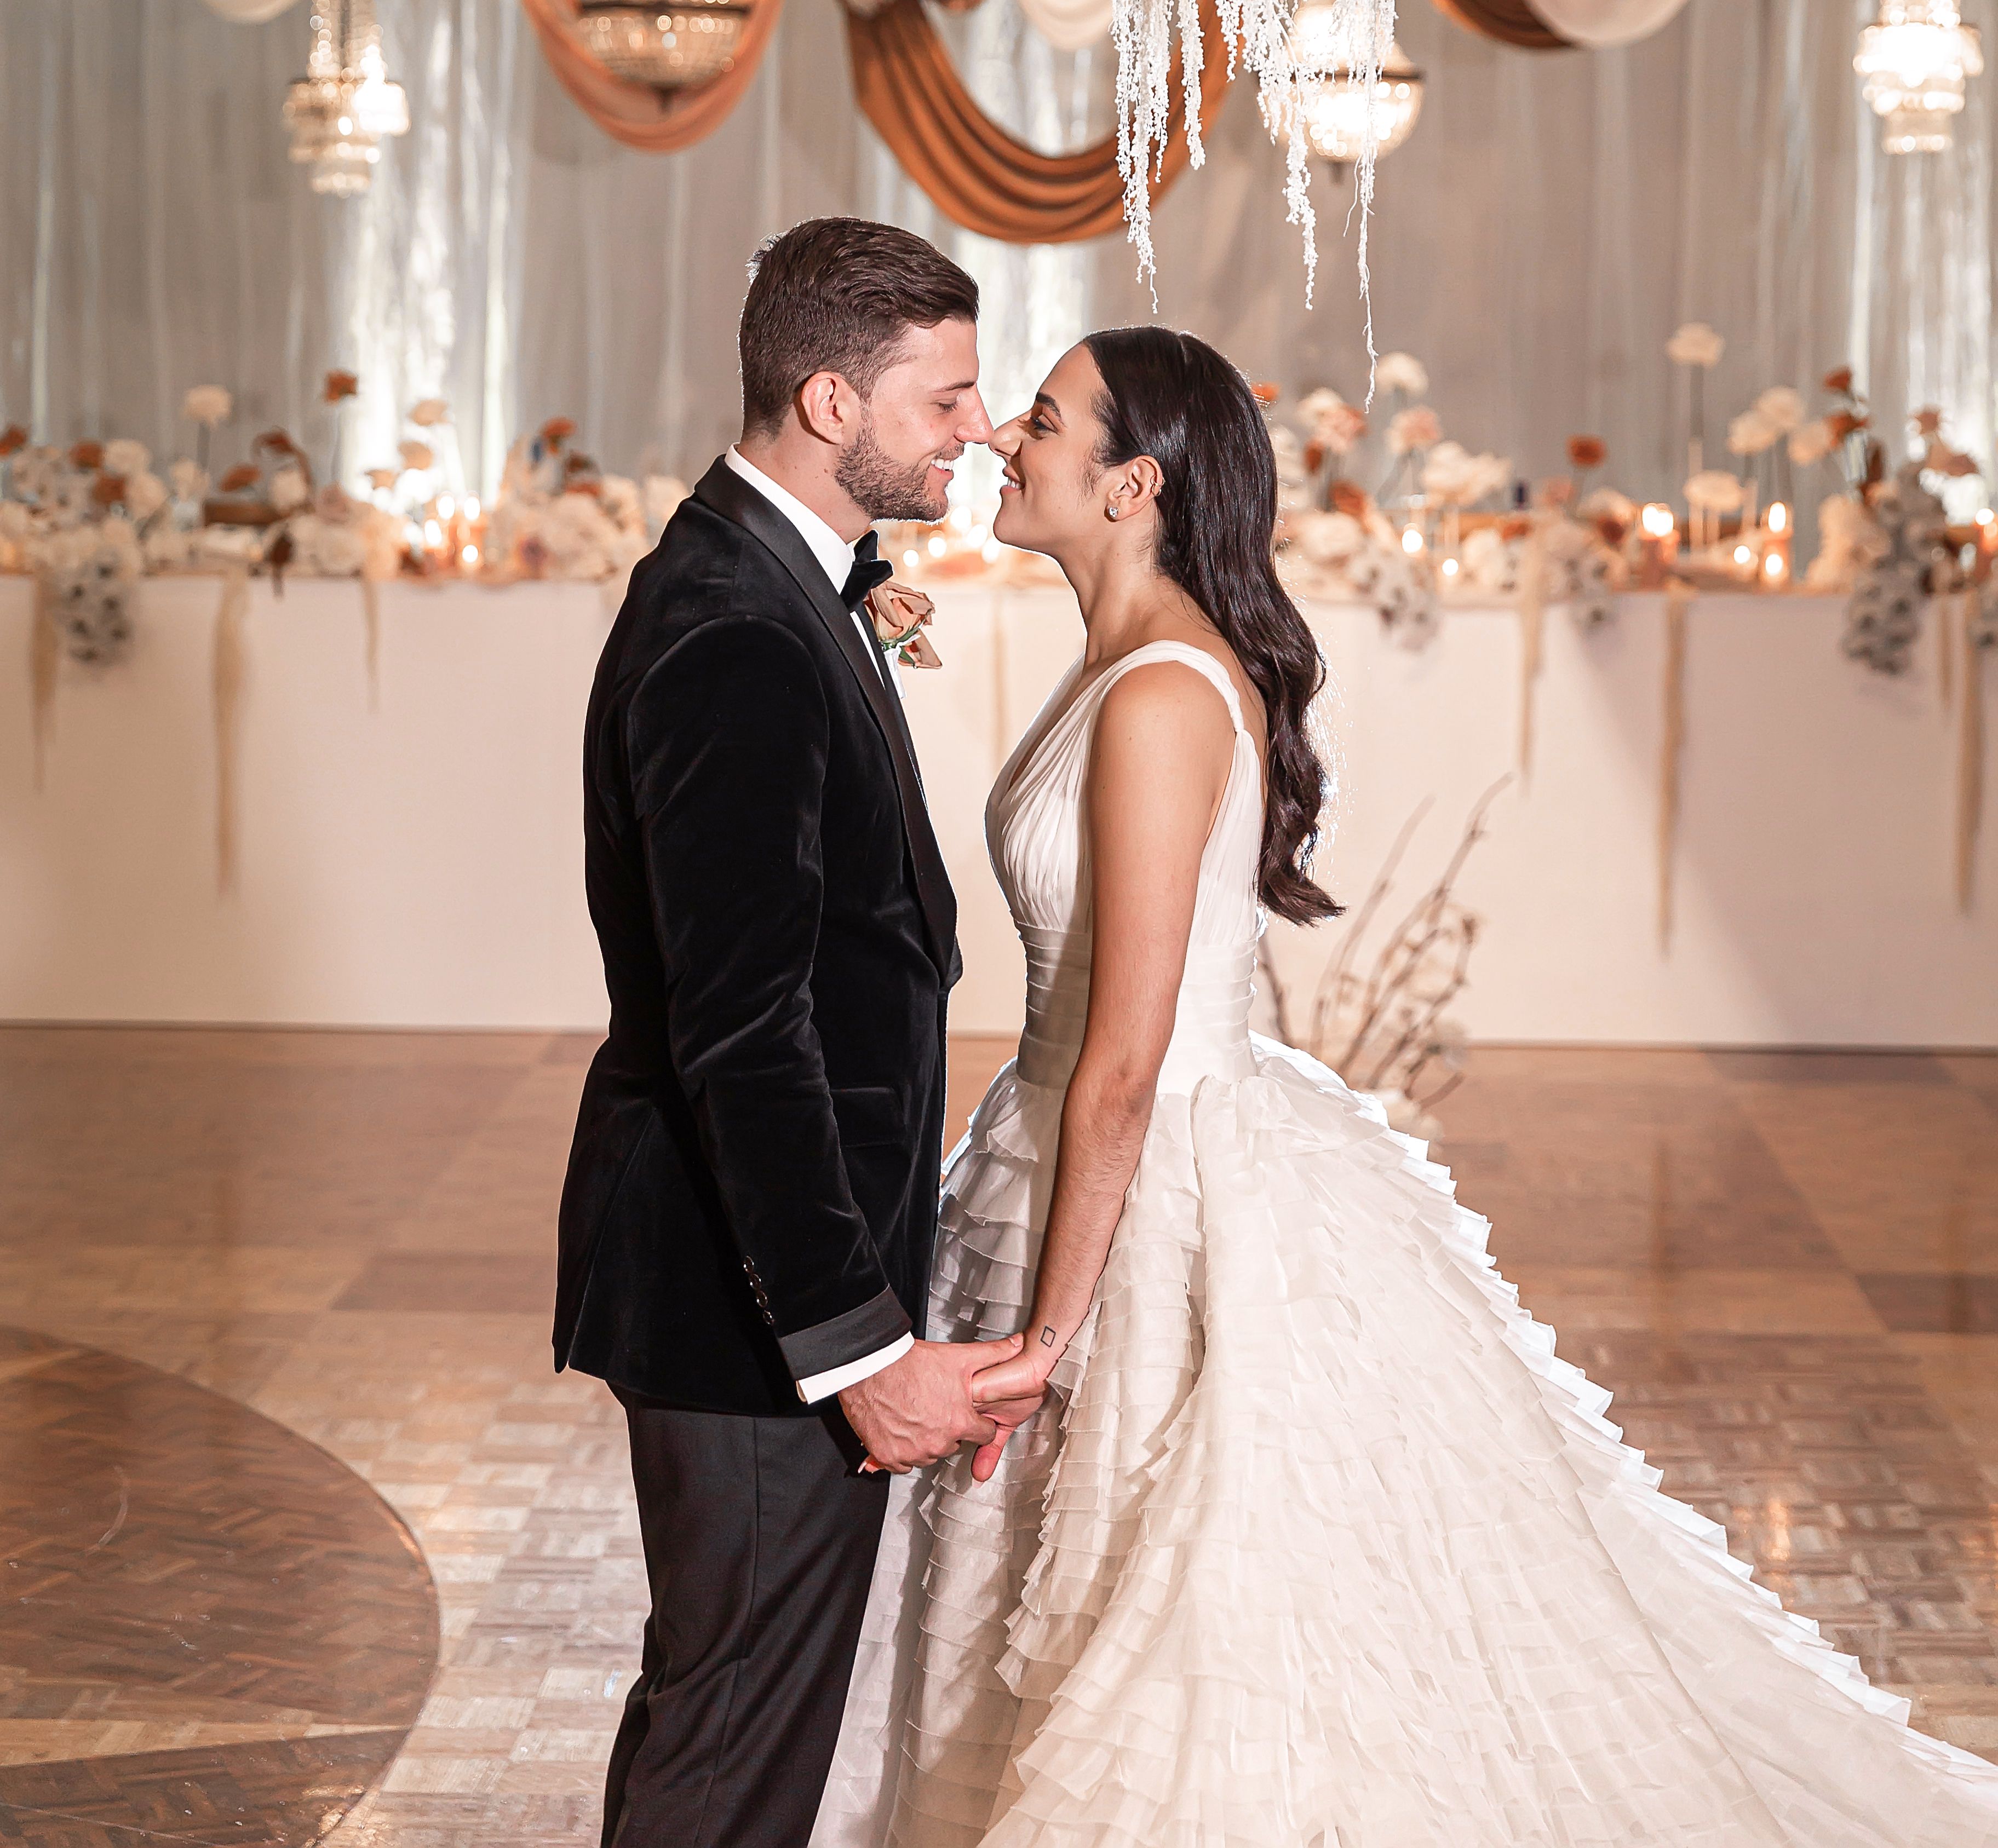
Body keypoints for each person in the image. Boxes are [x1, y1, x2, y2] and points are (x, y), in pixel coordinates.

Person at [815, 324, 1998, 1848]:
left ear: (1132, 485)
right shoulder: (1119, 660)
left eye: (1043, 419)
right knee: (1039, 1576)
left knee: (1174, 1596)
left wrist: (1053, 1334)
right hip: (1060, 1143)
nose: (1002, 439)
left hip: (1145, 1170)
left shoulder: (1163, 693)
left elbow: (1127, 1056)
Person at [555, 216, 1019, 1848]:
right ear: (832, 402)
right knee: (736, 1737)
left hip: (755, 1281)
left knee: (728, 1713)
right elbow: (745, 1031)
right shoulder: (738, 627)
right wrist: (857, 1347)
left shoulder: (777, 582)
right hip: (744, 1303)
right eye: (946, 398)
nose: (979, 427)